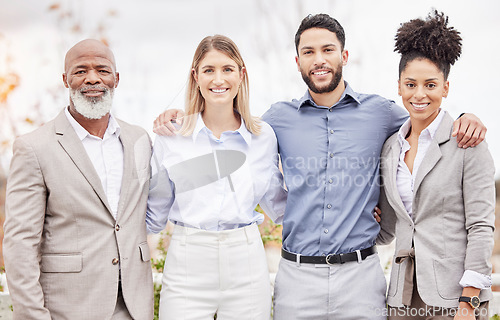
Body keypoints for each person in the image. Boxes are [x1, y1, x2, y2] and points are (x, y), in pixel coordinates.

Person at [153, 14, 486, 319]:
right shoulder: (275, 122)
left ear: (344, 56)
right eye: (308, 52)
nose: (319, 59)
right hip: (297, 278)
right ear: (298, 61)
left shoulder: (381, 113)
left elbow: (426, 115)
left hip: (361, 277)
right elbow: (228, 128)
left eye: (328, 49)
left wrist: (464, 118)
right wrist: (180, 118)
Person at [3, 39, 153, 320]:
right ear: (65, 79)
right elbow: (20, 243)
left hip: (134, 306)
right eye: (81, 70)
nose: (92, 78)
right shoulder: (34, 148)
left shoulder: (139, 139)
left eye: (102, 70)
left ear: (116, 79)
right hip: (69, 309)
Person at [146, 35, 287, 320]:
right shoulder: (171, 137)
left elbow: (281, 206)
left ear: (241, 74)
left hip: (246, 261)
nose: (218, 79)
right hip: (188, 261)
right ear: (195, 76)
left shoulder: (263, 137)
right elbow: (153, 215)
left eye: (227, 69)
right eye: (209, 70)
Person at [377, 11, 495, 320]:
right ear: (399, 86)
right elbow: (389, 229)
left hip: (454, 300)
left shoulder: (467, 142)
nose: (419, 94)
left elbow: (481, 226)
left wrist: (469, 302)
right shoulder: (390, 148)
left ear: (445, 88)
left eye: (430, 84)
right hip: (402, 299)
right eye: (411, 84)